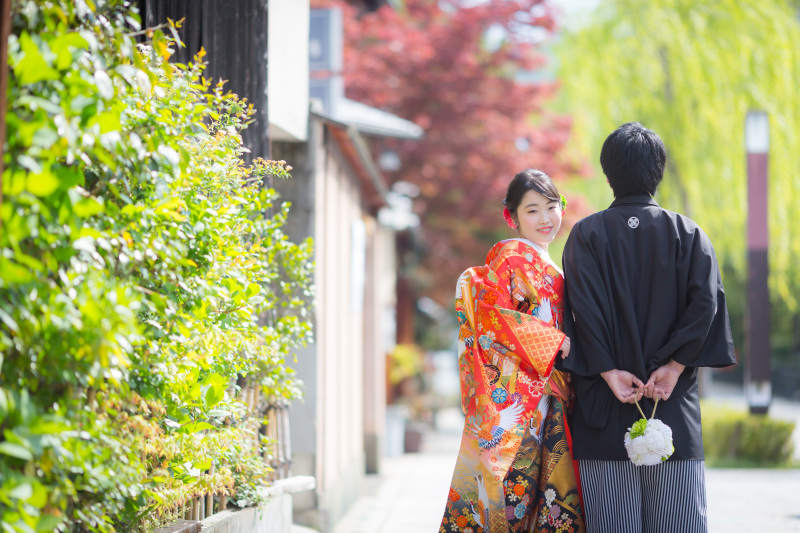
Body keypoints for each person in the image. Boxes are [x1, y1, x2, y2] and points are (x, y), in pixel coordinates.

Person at [561, 122, 736, 533]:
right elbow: (705, 306)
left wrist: (607, 370)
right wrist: (674, 367)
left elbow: (581, 312)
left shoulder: (585, 235)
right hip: (670, 403)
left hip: (603, 407)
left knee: (613, 524)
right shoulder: (690, 234)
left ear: (607, 175)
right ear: (659, 171)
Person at [441, 169, 585, 533]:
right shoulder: (511, 256)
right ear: (512, 217)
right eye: (532, 210)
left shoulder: (556, 265)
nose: (545, 219)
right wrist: (552, 341)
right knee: (512, 498)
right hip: (519, 399)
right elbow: (491, 318)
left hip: (551, 395)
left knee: (548, 499)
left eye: (551, 207)